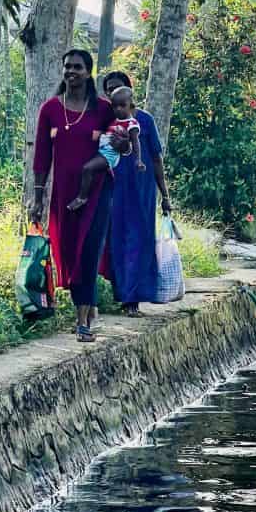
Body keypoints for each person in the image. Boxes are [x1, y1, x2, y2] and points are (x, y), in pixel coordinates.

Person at [30, 49, 128, 343]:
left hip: (98, 191)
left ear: (88, 72)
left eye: (77, 67)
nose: (71, 72)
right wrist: (38, 197)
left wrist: (124, 144)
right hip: (63, 193)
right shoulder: (50, 109)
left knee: (88, 253)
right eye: (67, 67)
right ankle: (85, 308)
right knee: (70, 254)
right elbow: (41, 157)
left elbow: (120, 145)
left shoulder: (103, 108)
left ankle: (83, 321)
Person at [103, 71, 172, 317]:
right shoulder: (106, 122)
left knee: (139, 242)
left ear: (130, 93)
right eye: (109, 90)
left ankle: (133, 298)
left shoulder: (145, 120)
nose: (114, 92)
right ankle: (120, 294)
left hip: (142, 190)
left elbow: (156, 158)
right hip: (114, 190)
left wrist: (165, 196)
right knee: (117, 241)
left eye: (118, 88)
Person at [67, 85, 143, 212]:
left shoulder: (131, 124)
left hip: (110, 154)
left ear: (131, 106)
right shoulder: (115, 120)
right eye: (115, 106)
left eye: (122, 105)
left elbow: (135, 142)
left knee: (87, 168)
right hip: (103, 150)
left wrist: (138, 160)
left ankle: (82, 197)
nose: (118, 109)